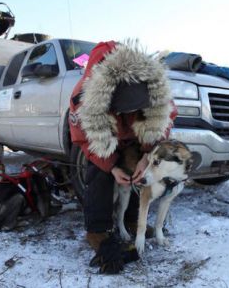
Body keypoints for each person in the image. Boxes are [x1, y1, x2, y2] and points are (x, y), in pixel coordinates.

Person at [69, 41, 177, 273]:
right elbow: (84, 140)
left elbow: (165, 120)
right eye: (124, 108)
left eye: (135, 107)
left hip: (136, 136)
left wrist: (148, 154)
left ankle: (131, 219)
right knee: (99, 172)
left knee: (140, 175)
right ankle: (97, 228)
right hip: (104, 134)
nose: (129, 112)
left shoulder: (156, 87)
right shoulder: (83, 99)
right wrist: (111, 166)